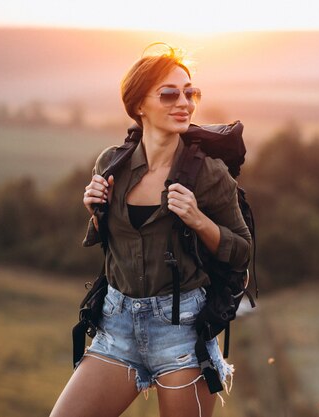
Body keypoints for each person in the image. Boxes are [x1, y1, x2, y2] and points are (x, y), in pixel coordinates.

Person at [50, 44, 252, 417]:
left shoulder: (208, 173)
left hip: (183, 333)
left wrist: (199, 219)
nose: (185, 103)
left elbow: (242, 249)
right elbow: (117, 242)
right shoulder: (112, 163)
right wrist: (95, 211)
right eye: (170, 93)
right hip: (116, 325)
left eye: (191, 93)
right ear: (139, 104)